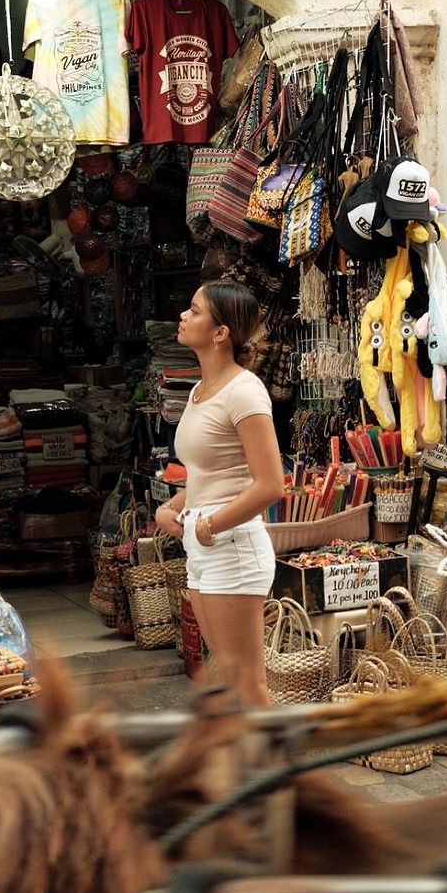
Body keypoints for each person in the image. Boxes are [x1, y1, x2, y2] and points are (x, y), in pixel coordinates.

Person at [154, 281, 285, 707]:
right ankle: (252, 766)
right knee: (227, 679)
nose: (182, 316)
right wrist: (172, 508)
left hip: (232, 547)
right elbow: (207, 474)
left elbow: (270, 484)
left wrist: (210, 525)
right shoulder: (198, 391)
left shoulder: (244, 391)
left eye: (194, 310)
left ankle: (282, 769)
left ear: (220, 332)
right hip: (205, 546)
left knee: (247, 686)